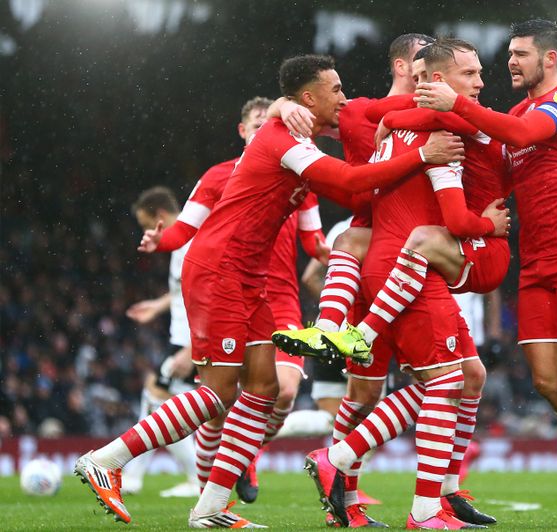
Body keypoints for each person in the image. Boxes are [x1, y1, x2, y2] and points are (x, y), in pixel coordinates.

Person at [74, 54, 463, 527]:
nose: (343, 97)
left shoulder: (300, 133)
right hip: (219, 269)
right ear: (309, 98)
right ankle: (107, 460)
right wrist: (422, 156)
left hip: (249, 277)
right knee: (218, 392)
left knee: (264, 389)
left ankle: (211, 507)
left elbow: (359, 178)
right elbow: (349, 181)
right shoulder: (284, 140)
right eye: (335, 89)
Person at [415, 19, 557, 530]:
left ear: (550, 59)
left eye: (520, 54)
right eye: (510, 53)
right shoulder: (514, 112)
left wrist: (459, 106)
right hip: (536, 258)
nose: (510, 62)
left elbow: (516, 133)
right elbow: (490, 140)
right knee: (547, 378)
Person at [275, 38, 511, 527]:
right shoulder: (431, 126)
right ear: (417, 70)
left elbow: (401, 115)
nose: (478, 85)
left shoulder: (394, 120)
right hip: (406, 263)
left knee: (461, 377)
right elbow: (496, 133)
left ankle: (433, 496)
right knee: (431, 384)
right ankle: (355, 469)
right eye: (468, 74)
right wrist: (490, 224)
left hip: (386, 255)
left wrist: (404, 120)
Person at [131, 97, 327, 504]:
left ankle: (244, 457)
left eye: (270, 123)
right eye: (257, 124)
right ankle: (209, 498)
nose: (265, 131)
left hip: (280, 300)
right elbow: (183, 230)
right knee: (218, 405)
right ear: (243, 131)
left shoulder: (301, 176)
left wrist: (333, 250)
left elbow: (313, 240)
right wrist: (159, 240)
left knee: (285, 391)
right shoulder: (219, 177)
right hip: (232, 295)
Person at [122, 186, 200, 499]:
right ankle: (135, 477)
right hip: (182, 336)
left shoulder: (189, 243)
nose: (145, 233)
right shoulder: (183, 242)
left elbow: (206, 295)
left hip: (189, 339)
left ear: (159, 217)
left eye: (145, 225)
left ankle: (196, 480)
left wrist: (193, 348)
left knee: (158, 399)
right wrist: (157, 304)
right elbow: (183, 291)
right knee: (157, 400)